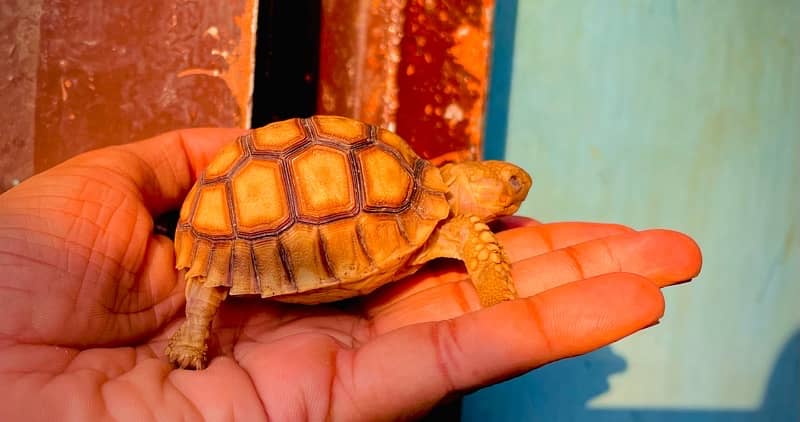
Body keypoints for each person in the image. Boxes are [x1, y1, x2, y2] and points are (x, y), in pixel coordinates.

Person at [0, 128, 702, 421]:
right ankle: (192, 333)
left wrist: (493, 294)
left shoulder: (441, 215)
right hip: (255, 220)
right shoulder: (444, 210)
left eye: (513, 190)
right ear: (469, 181)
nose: (512, 194)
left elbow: (483, 256)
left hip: (265, 219)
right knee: (210, 280)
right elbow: (483, 254)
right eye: (507, 186)